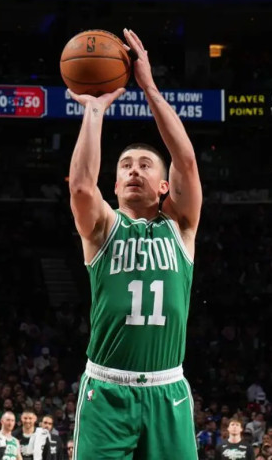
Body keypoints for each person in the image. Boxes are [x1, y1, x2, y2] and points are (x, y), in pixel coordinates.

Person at [68, 28, 202, 460]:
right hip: (107, 391)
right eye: (125, 165)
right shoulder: (102, 229)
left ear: (164, 186)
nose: (133, 171)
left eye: (145, 165)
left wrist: (150, 89)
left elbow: (186, 161)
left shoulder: (180, 226)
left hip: (168, 389)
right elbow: (81, 187)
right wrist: (94, 111)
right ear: (115, 183)